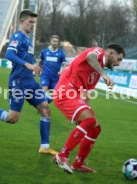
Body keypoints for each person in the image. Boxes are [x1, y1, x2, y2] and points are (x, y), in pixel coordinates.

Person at [0, 9, 57, 155]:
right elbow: (9, 53)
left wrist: (35, 68)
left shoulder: (28, 40)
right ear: (22, 21)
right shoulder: (17, 36)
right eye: (30, 22)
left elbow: (28, 60)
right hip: (18, 83)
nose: (32, 25)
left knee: (45, 110)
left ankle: (44, 147)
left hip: (30, 82)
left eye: (34, 22)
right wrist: (26, 65)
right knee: (12, 118)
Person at [52, 44, 125, 173]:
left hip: (74, 94)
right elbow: (90, 57)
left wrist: (84, 111)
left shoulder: (97, 72)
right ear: (111, 53)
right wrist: (103, 74)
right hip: (65, 90)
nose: (118, 63)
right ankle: (62, 155)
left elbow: (86, 92)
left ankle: (78, 163)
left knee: (95, 127)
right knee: (89, 121)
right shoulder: (98, 52)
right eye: (119, 59)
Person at [38, 35, 66, 103]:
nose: (55, 43)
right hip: (45, 75)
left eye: (57, 41)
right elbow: (40, 62)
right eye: (54, 41)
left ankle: (43, 104)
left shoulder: (61, 53)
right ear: (50, 41)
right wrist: (37, 69)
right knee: (44, 89)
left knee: (53, 95)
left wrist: (62, 71)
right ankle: (42, 106)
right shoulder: (44, 51)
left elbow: (64, 64)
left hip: (55, 77)